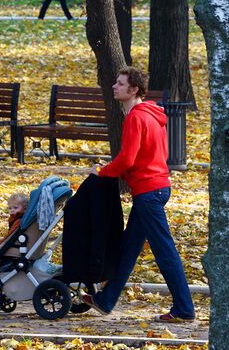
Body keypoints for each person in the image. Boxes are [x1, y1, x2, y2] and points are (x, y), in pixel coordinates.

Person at [82, 67, 196, 322]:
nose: (115, 86)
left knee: (165, 251)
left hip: (148, 192)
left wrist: (101, 171)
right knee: (129, 247)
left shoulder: (136, 117)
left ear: (134, 90)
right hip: (156, 187)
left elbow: (126, 160)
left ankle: (184, 309)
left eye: (120, 83)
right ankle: (106, 299)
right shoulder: (153, 115)